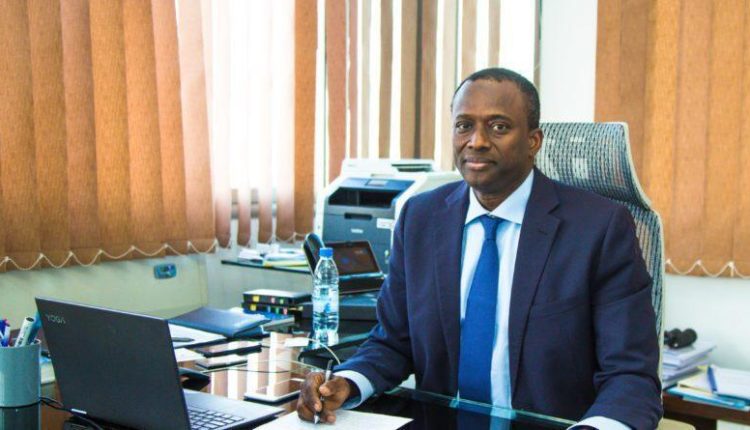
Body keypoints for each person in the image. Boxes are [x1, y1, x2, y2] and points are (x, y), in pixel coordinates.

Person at [297, 68, 662, 429]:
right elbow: (393, 342)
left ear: (534, 141)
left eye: (499, 127)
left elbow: (631, 377)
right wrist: (346, 383)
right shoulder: (420, 218)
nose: (477, 141)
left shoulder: (598, 228)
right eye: (464, 125)